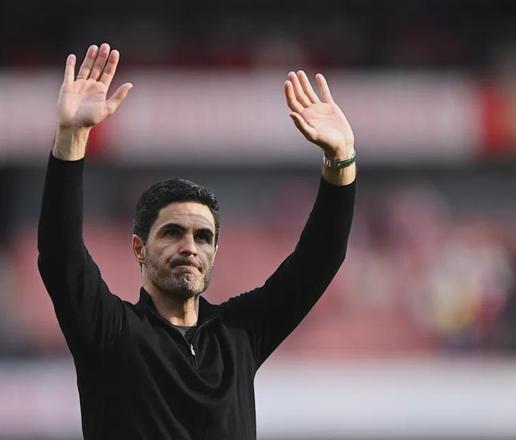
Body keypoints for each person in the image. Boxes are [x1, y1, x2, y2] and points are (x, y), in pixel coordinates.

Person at [38, 43, 356, 440]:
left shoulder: (239, 333)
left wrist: (341, 158)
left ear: (215, 252)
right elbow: (60, 254)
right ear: (139, 248)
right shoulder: (110, 331)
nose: (189, 246)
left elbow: (320, 259)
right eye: (172, 232)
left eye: (203, 237)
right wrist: (70, 138)